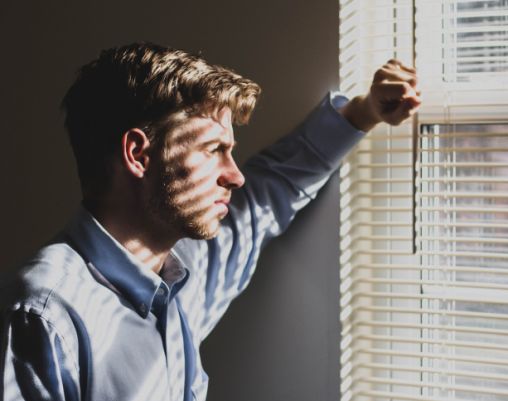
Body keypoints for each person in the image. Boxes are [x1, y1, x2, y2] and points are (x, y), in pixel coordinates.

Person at [0, 42, 420, 401]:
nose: (235, 175)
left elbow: (270, 191)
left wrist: (363, 112)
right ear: (139, 155)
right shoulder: (44, 316)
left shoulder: (185, 273)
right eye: (213, 149)